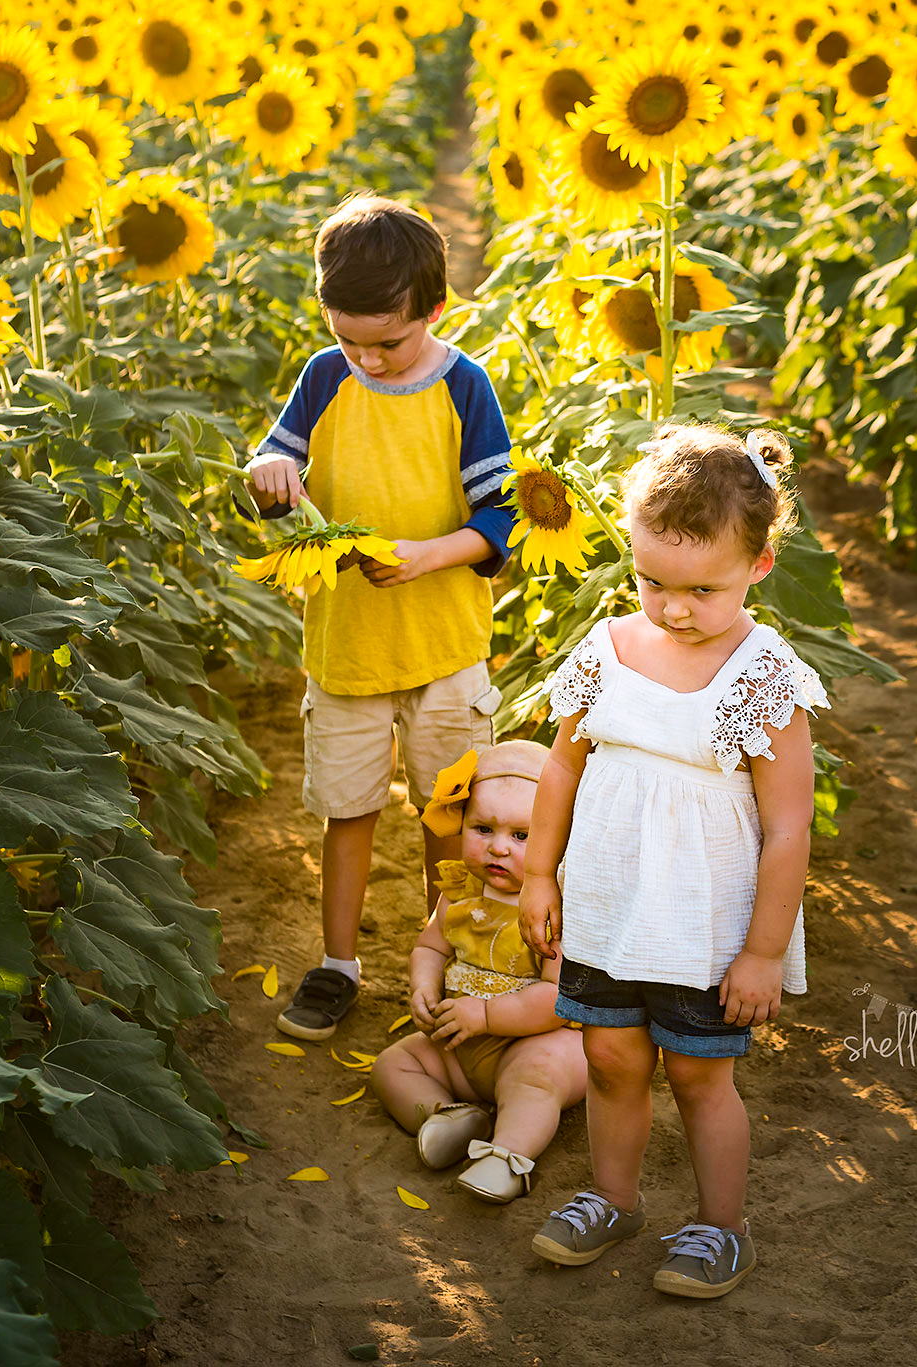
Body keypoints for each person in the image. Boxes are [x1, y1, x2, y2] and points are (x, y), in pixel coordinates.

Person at [520, 423, 826, 1300]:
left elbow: (789, 827)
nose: (673, 608)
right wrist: (541, 873)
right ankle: (612, 1198)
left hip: (702, 925)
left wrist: (763, 950)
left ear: (759, 567)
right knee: (611, 1061)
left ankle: (720, 1227)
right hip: (611, 907)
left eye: (702, 588)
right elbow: (563, 763)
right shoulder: (610, 651)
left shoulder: (763, 673)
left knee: (699, 1075)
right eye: (651, 581)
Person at [246, 193, 517, 1042]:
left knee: (450, 818)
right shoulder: (327, 375)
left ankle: (457, 955)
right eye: (347, 337)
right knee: (348, 811)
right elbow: (278, 457)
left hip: (442, 648)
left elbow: (499, 523)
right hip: (347, 648)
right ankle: (338, 966)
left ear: (436, 310)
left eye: (387, 342)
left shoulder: (464, 387)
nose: (367, 358)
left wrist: (423, 555)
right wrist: (268, 474)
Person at [371, 741, 588, 1203]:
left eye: (522, 836)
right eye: (483, 828)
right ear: (463, 823)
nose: (498, 848)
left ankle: (507, 1155)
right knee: (395, 1064)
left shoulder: (556, 907)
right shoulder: (459, 888)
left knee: (537, 1077)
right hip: (463, 1041)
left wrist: (488, 1017)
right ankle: (448, 1115)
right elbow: (431, 944)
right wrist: (424, 985)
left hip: (534, 1041)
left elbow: (556, 997)